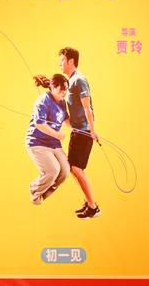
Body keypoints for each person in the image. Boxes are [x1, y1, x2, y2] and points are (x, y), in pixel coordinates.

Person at [57, 47, 100, 219]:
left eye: (62, 61)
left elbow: (87, 107)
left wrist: (92, 131)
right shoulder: (70, 82)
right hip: (77, 131)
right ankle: (90, 204)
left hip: (84, 132)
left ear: (71, 61)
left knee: (75, 168)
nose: (60, 64)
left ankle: (93, 206)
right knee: (73, 168)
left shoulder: (79, 80)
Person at [26, 73, 71, 205]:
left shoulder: (62, 103)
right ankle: (35, 190)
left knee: (65, 171)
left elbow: (68, 122)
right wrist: (58, 135)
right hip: (37, 142)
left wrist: (84, 125)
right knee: (53, 170)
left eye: (66, 89)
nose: (64, 92)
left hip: (53, 144)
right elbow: (39, 124)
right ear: (53, 88)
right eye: (61, 89)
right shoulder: (43, 100)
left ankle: (45, 193)